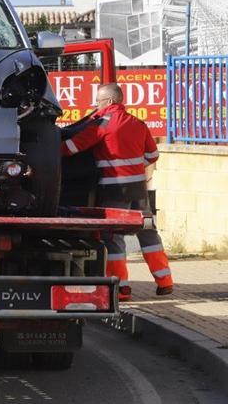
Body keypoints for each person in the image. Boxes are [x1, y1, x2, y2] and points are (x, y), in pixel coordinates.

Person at [60, 83, 173, 300]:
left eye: (99, 102)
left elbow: (72, 148)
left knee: (113, 237)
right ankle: (165, 282)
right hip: (139, 189)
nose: (96, 106)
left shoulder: (102, 124)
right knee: (148, 232)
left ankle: (121, 288)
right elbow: (152, 155)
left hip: (114, 190)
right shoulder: (138, 123)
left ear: (110, 101)